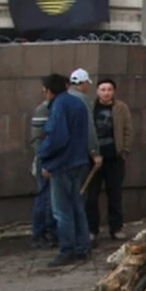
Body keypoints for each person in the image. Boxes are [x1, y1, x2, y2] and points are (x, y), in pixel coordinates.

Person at [37, 74, 91, 267]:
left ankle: (67, 249)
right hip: (79, 161)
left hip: (62, 164)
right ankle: (82, 246)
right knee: (77, 205)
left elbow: (57, 138)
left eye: (44, 89)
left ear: (50, 90)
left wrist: (44, 156)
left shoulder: (59, 106)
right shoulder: (77, 103)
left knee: (61, 209)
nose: (43, 92)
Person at [84, 78, 132, 242]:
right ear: (97, 91)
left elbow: (128, 129)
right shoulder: (90, 107)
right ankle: (92, 229)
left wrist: (124, 151)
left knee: (115, 194)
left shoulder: (121, 108)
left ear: (114, 91)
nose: (106, 92)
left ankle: (116, 227)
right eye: (103, 89)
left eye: (109, 89)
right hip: (93, 159)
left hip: (114, 158)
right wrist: (91, 153)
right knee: (92, 195)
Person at [29, 97, 56, 248]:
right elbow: (37, 139)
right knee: (45, 197)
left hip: (52, 158)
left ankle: (49, 230)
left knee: (50, 198)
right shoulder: (44, 109)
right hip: (46, 159)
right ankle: (40, 232)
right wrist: (44, 161)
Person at [68, 68, 102, 179]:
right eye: (87, 83)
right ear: (83, 83)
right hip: (78, 152)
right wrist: (94, 151)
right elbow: (88, 126)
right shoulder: (82, 100)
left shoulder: (62, 98)